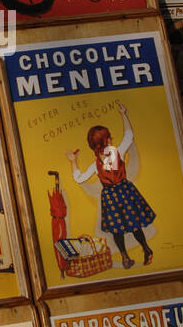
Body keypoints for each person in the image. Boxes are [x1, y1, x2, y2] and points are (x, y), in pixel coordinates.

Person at [66, 105, 155, 270]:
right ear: (106, 141)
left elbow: (79, 178)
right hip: (125, 191)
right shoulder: (118, 152)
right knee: (134, 224)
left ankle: (125, 257)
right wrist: (123, 115)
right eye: (109, 137)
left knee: (117, 229)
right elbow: (129, 135)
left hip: (110, 197)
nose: (112, 139)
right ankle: (146, 248)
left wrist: (73, 161)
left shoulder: (96, 164)